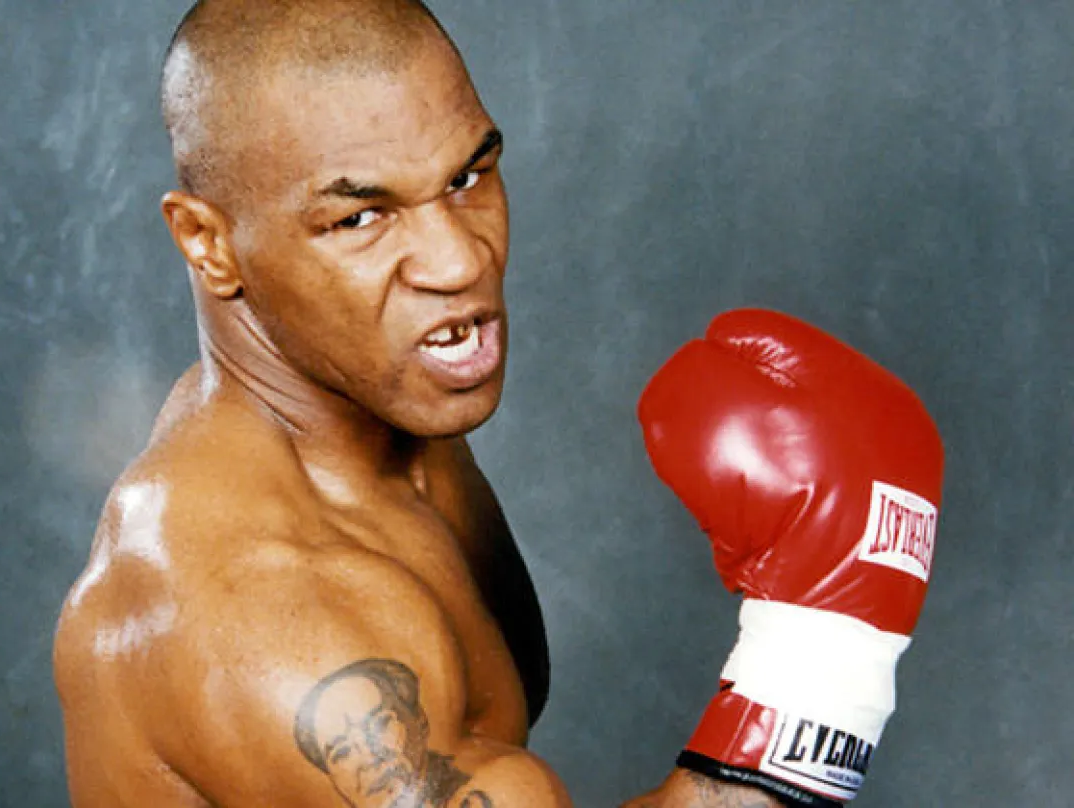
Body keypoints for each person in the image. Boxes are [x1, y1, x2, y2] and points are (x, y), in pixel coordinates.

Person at [54, 1, 944, 806]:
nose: (459, 262)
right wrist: (822, 651)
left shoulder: (368, 407)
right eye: (359, 218)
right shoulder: (266, 617)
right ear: (207, 243)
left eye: (467, 178)